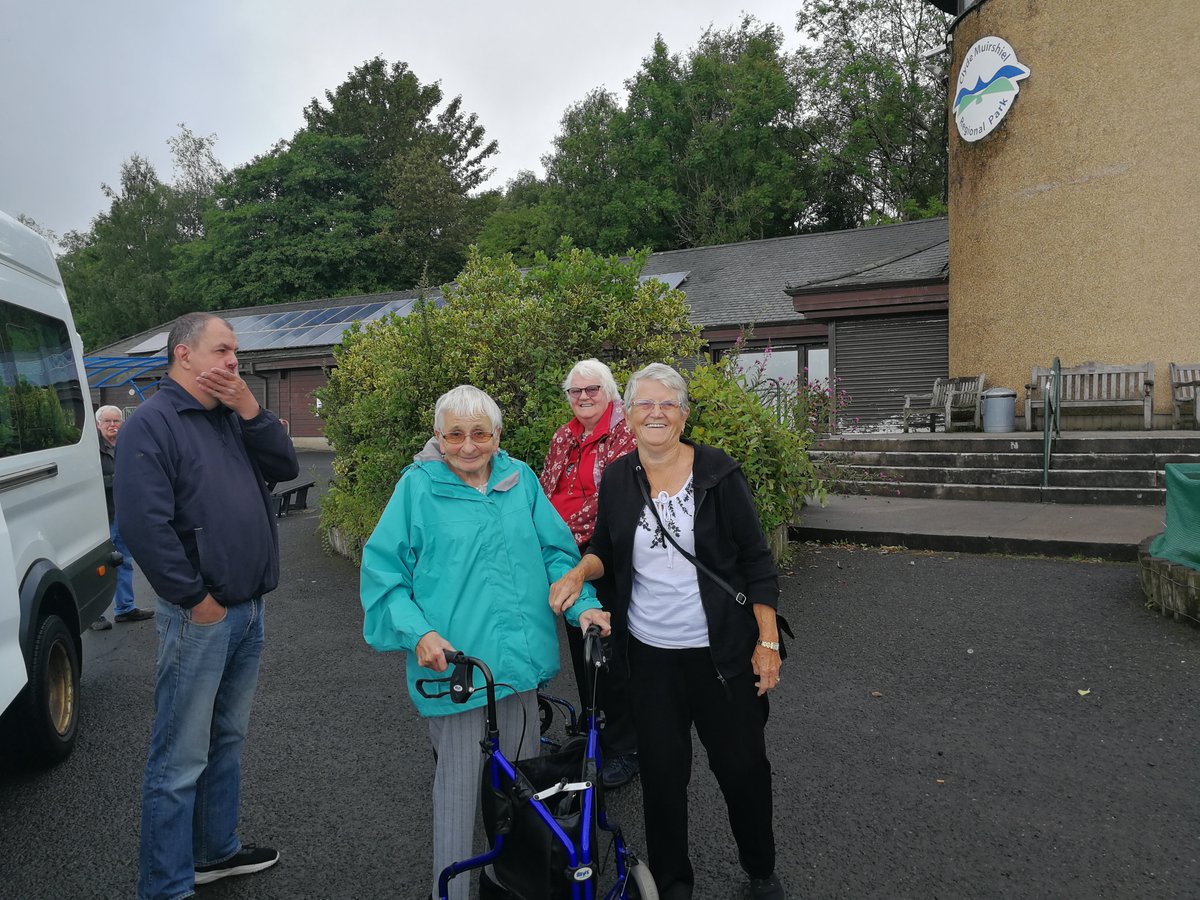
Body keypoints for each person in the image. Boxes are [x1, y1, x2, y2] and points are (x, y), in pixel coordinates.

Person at [360, 385, 610, 900]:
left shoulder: (519, 481)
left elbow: (556, 555)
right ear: (438, 437)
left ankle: (513, 885)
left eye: (480, 433)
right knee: (456, 792)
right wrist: (420, 633)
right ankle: (448, 893)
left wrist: (581, 601)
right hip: (459, 672)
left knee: (521, 790)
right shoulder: (416, 489)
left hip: (517, 671)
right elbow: (384, 578)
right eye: (456, 434)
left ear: (497, 436)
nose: (468, 446)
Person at [549, 363, 787, 900]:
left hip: (721, 654)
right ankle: (673, 883)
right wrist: (577, 572)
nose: (656, 413)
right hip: (649, 657)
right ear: (628, 415)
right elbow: (606, 551)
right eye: (644, 404)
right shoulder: (618, 478)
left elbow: (756, 563)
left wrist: (767, 642)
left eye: (668, 403)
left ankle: (760, 868)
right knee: (662, 778)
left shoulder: (718, 473)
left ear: (683, 414)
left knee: (742, 767)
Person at [115, 312, 299, 900]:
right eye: (221, 351)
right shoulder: (154, 423)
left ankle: (214, 852)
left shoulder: (230, 416)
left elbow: (286, 468)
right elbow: (144, 526)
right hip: (202, 614)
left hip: (248, 609)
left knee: (226, 739)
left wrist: (250, 407)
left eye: (235, 353)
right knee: (179, 756)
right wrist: (196, 599)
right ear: (182, 355)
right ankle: (165, 885)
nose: (232, 362)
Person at [538, 358, 640, 788]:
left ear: (610, 392)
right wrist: (541, 534)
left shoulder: (626, 434)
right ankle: (594, 720)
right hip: (566, 554)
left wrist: (556, 535)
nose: (582, 398)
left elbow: (608, 502)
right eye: (575, 391)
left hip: (607, 553)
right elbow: (545, 489)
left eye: (591, 390)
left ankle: (626, 746)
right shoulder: (565, 434)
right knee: (581, 643)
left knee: (611, 650)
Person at [91, 405, 154, 630]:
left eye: (116, 421)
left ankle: (125, 608)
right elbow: (91, 481)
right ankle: (93, 616)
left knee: (123, 560)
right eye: (107, 421)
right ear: (98, 424)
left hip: (122, 512)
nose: (112, 425)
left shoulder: (126, 445)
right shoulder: (89, 449)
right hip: (99, 514)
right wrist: (121, 478)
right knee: (96, 564)